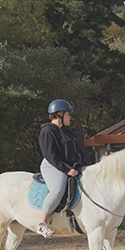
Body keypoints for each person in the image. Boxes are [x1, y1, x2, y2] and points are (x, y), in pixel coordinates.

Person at [36, 99, 89, 238]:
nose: (70, 117)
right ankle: (42, 223)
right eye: (68, 114)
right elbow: (50, 155)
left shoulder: (66, 132)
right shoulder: (48, 131)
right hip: (53, 165)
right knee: (58, 189)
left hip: (68, 166)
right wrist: (66, 170)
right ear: (59, 114)